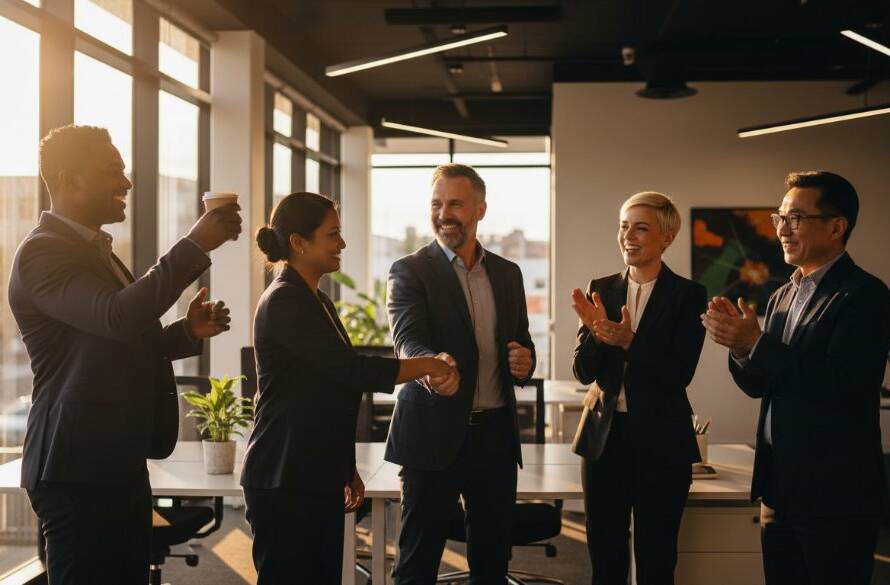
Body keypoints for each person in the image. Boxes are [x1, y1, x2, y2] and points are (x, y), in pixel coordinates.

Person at [8, 124, 241, 585]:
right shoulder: (43, 254)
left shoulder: (93, 250)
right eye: (112, 171)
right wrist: (194, 245)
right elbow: (116, 316)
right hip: (75, 468)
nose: (126, 183)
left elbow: (117, 340)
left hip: (114, 461)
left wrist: (184, 332)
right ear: (70, 179)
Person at [241, 192, 458, 585]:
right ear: (299, 242)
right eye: (333, 234)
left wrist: (344, 467)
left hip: (312, 472)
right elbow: (350, 371)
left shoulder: (317, 298)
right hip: (284, 475)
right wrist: (427, 364)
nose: (341, 243)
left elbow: (330, 393)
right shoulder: (285, 300)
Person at [702, 171, 890, 585]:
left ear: (837, 226)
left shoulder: (865, 296)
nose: (783, 229)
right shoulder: (783, 294)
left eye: (796, 218)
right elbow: (761, 385)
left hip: (835, 493)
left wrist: (757, 343)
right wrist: (740, 347)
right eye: (779, 218)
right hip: (780, 487)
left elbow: (841, 386)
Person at [385, 163, 536, 584]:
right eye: (436, 204)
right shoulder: (409, 270)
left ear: (480, 209)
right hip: (431, 432)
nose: (443, 213)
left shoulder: (508, 274)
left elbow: (521, 342)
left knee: (491, 566)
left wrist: (526, 361)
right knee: (417, 562)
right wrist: (431, 367)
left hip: (494, 438)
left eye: (455, 203)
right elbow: (407, 339)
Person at [570, 191, 706, 585]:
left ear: (667, 237)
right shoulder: (602, 288)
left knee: (657, 556)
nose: (628, 235)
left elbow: (679, 373)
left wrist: (629, 341)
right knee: (605, 556)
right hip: (603, 440)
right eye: (624, 226)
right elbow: (582, 372)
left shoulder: (689, 295)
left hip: (662, 441)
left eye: (641, 228)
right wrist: (597, 334)